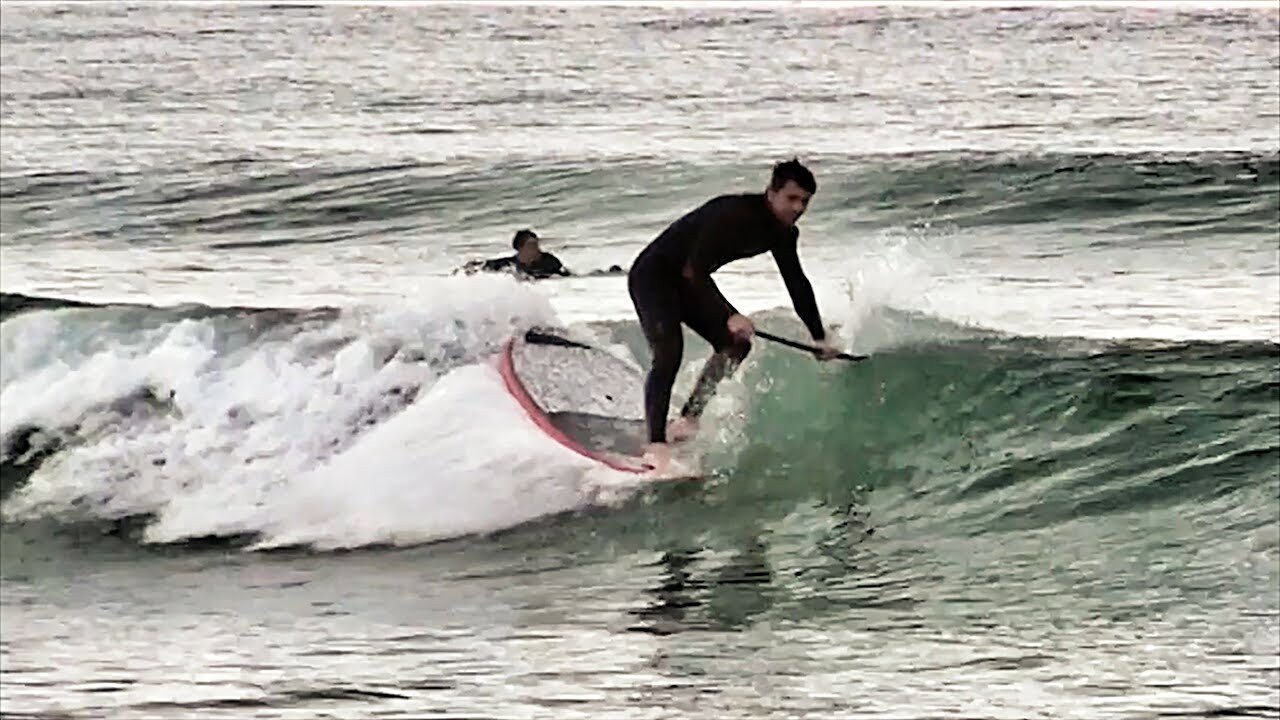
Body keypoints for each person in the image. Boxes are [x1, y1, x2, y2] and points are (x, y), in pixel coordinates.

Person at [627, 158, 841, 466]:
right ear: (771, 193)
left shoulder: (782, 232)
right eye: (791, 198)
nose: (798, 208)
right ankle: (656, 444)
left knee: (736, 345)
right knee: (669, 351)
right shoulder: (734, 215)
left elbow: (797, 283)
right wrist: (730, 313)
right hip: (653, 276)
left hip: (687, 282)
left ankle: (687, 421)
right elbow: (695, 269)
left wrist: (819, 337)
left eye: (804, 202)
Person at [465, 229, 571, 279]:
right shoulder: (508, 265)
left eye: (537, 244)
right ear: (520, 248)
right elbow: (481, 267)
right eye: (531, 245)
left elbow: (566, 277)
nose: (537, 249)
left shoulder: (549, 261)